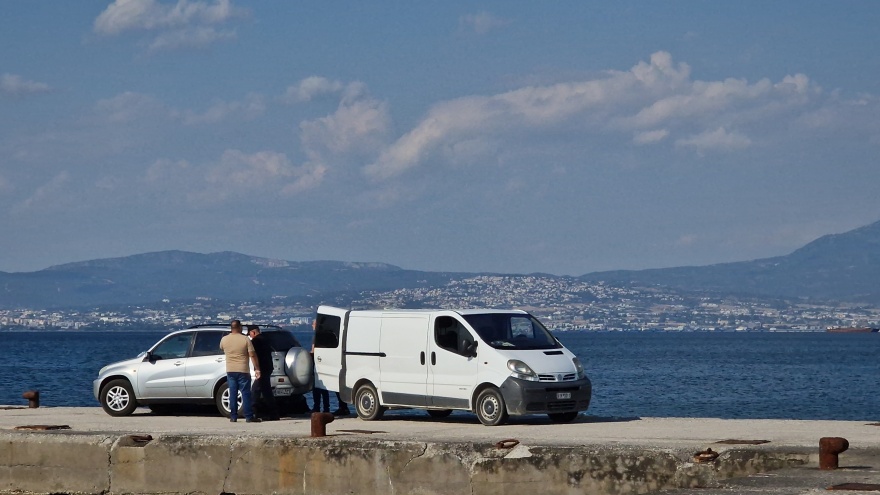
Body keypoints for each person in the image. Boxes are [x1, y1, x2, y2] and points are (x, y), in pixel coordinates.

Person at [219, 320, 261, 423]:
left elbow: (221, 348)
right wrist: (257, 368)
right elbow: (252, 354)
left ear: (231, 328)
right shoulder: (245, 339)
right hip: (242, 370)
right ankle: (249, 416)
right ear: (239, 327)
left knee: (232, 393)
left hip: (230, 370)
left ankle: (233, 416)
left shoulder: (224, 339)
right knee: (245, 393)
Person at [247, 325, 280, 421]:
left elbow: (252, 354)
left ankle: (253, 412)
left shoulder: (255, 341)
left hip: (261, 368)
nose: (250, 336)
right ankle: (272, 413)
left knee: (255, 390)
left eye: (250, 334)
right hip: (268, 367)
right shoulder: (266, 339)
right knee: (266, 391)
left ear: (253, 332)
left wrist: (257, 369)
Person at [310, 320, 330, 413]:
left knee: (316, 387)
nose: (312, 325)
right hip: (325, 363)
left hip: (317, 364)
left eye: (313, 324)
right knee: (324, 388)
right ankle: (326, 408)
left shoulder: (316, 337)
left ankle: (316, 407)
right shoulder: (326, 336)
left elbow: (313, 351)